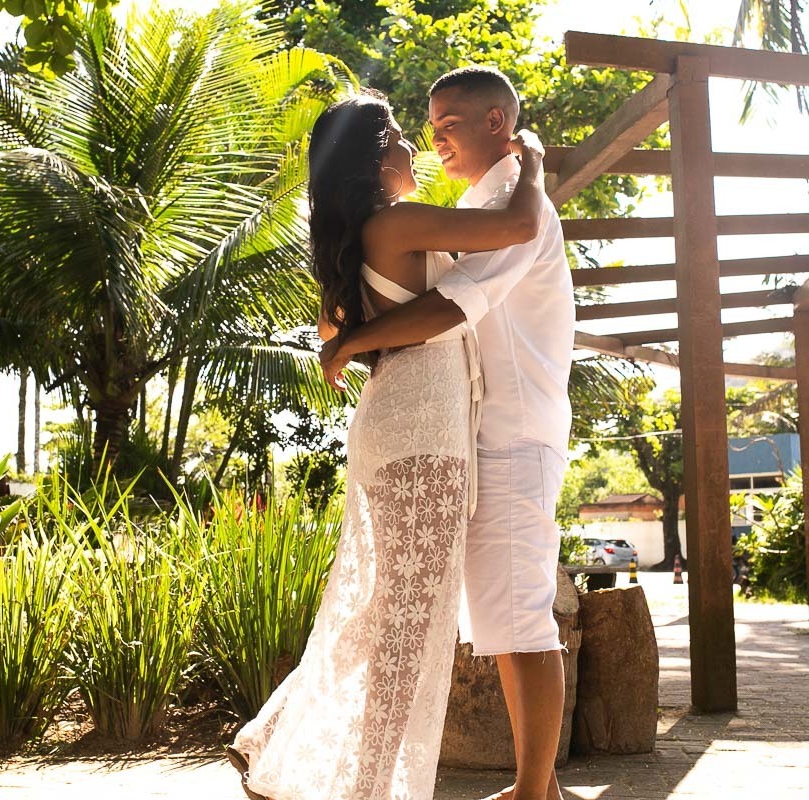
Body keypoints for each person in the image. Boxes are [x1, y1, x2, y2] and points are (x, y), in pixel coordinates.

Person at [224, 87, 548, 800]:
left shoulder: (353, 241)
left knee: (390, 611)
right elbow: (522, 226)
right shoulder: (397, 222)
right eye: (400, 135)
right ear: (374, 159)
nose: (413, 147)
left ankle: (280, 739)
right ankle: (366, 783)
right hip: (425, 431)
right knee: (408, 623)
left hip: (391, 425)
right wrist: (533, 161)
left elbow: (334, 331)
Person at [319, 67, 576, 800]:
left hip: (511, 430)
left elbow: (456, 305)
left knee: (518, 614)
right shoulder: (464, 207)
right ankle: (535, 788)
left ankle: (534, 790)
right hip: (459, 432)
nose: (433, 140)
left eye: (447, 125)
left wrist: (352, 343)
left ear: (497, 122)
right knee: (492, 618)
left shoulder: (513, 199)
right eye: (425, 128)